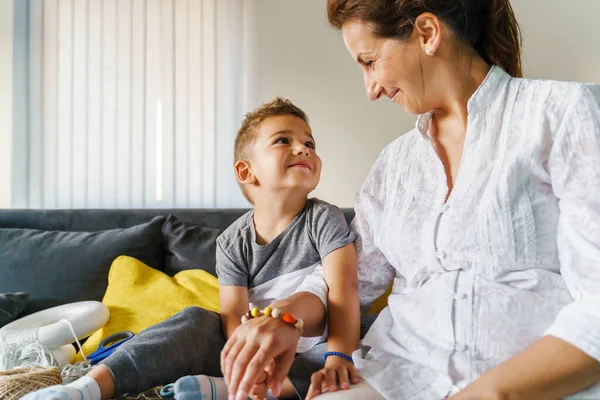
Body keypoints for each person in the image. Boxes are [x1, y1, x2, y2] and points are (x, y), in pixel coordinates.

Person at [220, 1, 600, 399]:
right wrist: (285, 317)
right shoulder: (395, 165)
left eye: (369, 61)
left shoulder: (564, 114)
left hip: (535, 383)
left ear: (427, 33)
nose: (371, 89)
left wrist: (491, 393)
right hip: (397, 376)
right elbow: (349, 279)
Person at [23, 97, 361, 400]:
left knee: (356, 358)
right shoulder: (231, 241)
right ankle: (91, 386)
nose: (304, 149)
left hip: (318, 340)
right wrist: (247, 358)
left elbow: (342, 289)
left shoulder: (324, 218)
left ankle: (232, 390)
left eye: (309, 143)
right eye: (283, 140)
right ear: (247, 171)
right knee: (194, 321)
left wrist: (339, 355)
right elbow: (232, 320)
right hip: (250, 341)